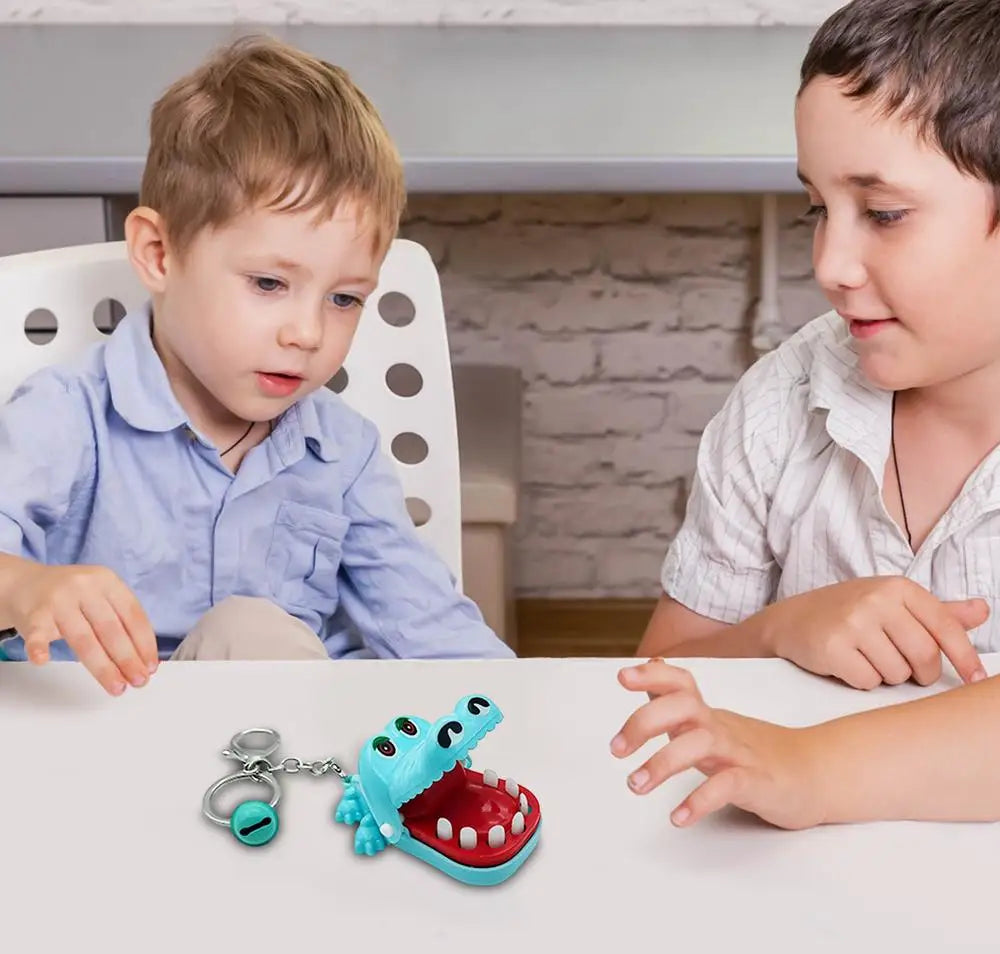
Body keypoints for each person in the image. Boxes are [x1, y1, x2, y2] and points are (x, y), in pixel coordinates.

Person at [0, 35, 512, 695]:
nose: (306, 333)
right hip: (96, 750)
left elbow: (435, 636)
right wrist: (27, 586)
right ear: (159, 254)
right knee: (249, 632)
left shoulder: (342, 454)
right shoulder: (65, 417)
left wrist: (549, 727)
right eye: (270, 284)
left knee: (261, 637)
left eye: (344, 298)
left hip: (285, 762)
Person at [613, 0, 1000, 827]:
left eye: (884, 214)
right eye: (818, 209)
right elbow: (661, 671)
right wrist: (780, 628)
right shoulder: (783, 403)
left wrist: (809, 768)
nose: (829, 264)